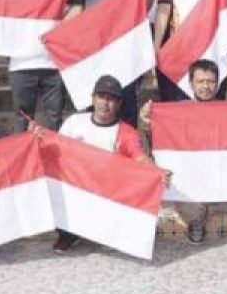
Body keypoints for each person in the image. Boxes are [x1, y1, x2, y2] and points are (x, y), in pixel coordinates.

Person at [157, 60, 227, 262]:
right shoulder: (177, 111)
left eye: (210, 81)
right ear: (191, 84)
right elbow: (161, 137)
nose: (205, 86)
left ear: (218, 83)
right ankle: (196, 221)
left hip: (223, 174)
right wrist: (148, 120)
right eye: (200, 81)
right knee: (174, 184)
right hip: (193, 176)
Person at [52, 74, 154, 253]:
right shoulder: (74, 122)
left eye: (111, 99)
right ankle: (67, 233)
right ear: (92, 98)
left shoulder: (126, 132)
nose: (105, 103)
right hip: (77, 186)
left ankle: (111, 229)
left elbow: (140, 159)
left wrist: (156, 172)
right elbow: (55, 152)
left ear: (120, 103)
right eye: (101, 97)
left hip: (108, 191)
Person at [67, 0, 150, 124]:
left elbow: (143, 8)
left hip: (123, 45)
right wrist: (57, 33)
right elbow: (77, 6)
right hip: (92, 47)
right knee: (92, 101)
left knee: (127, 100)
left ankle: (125, 150)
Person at [8, 0, 70, 130]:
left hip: (53, 63)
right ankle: (22, 159)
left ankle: (54, 160)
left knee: (55, 118)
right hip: (21, 63)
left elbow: (72, 18)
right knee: (22, 119)